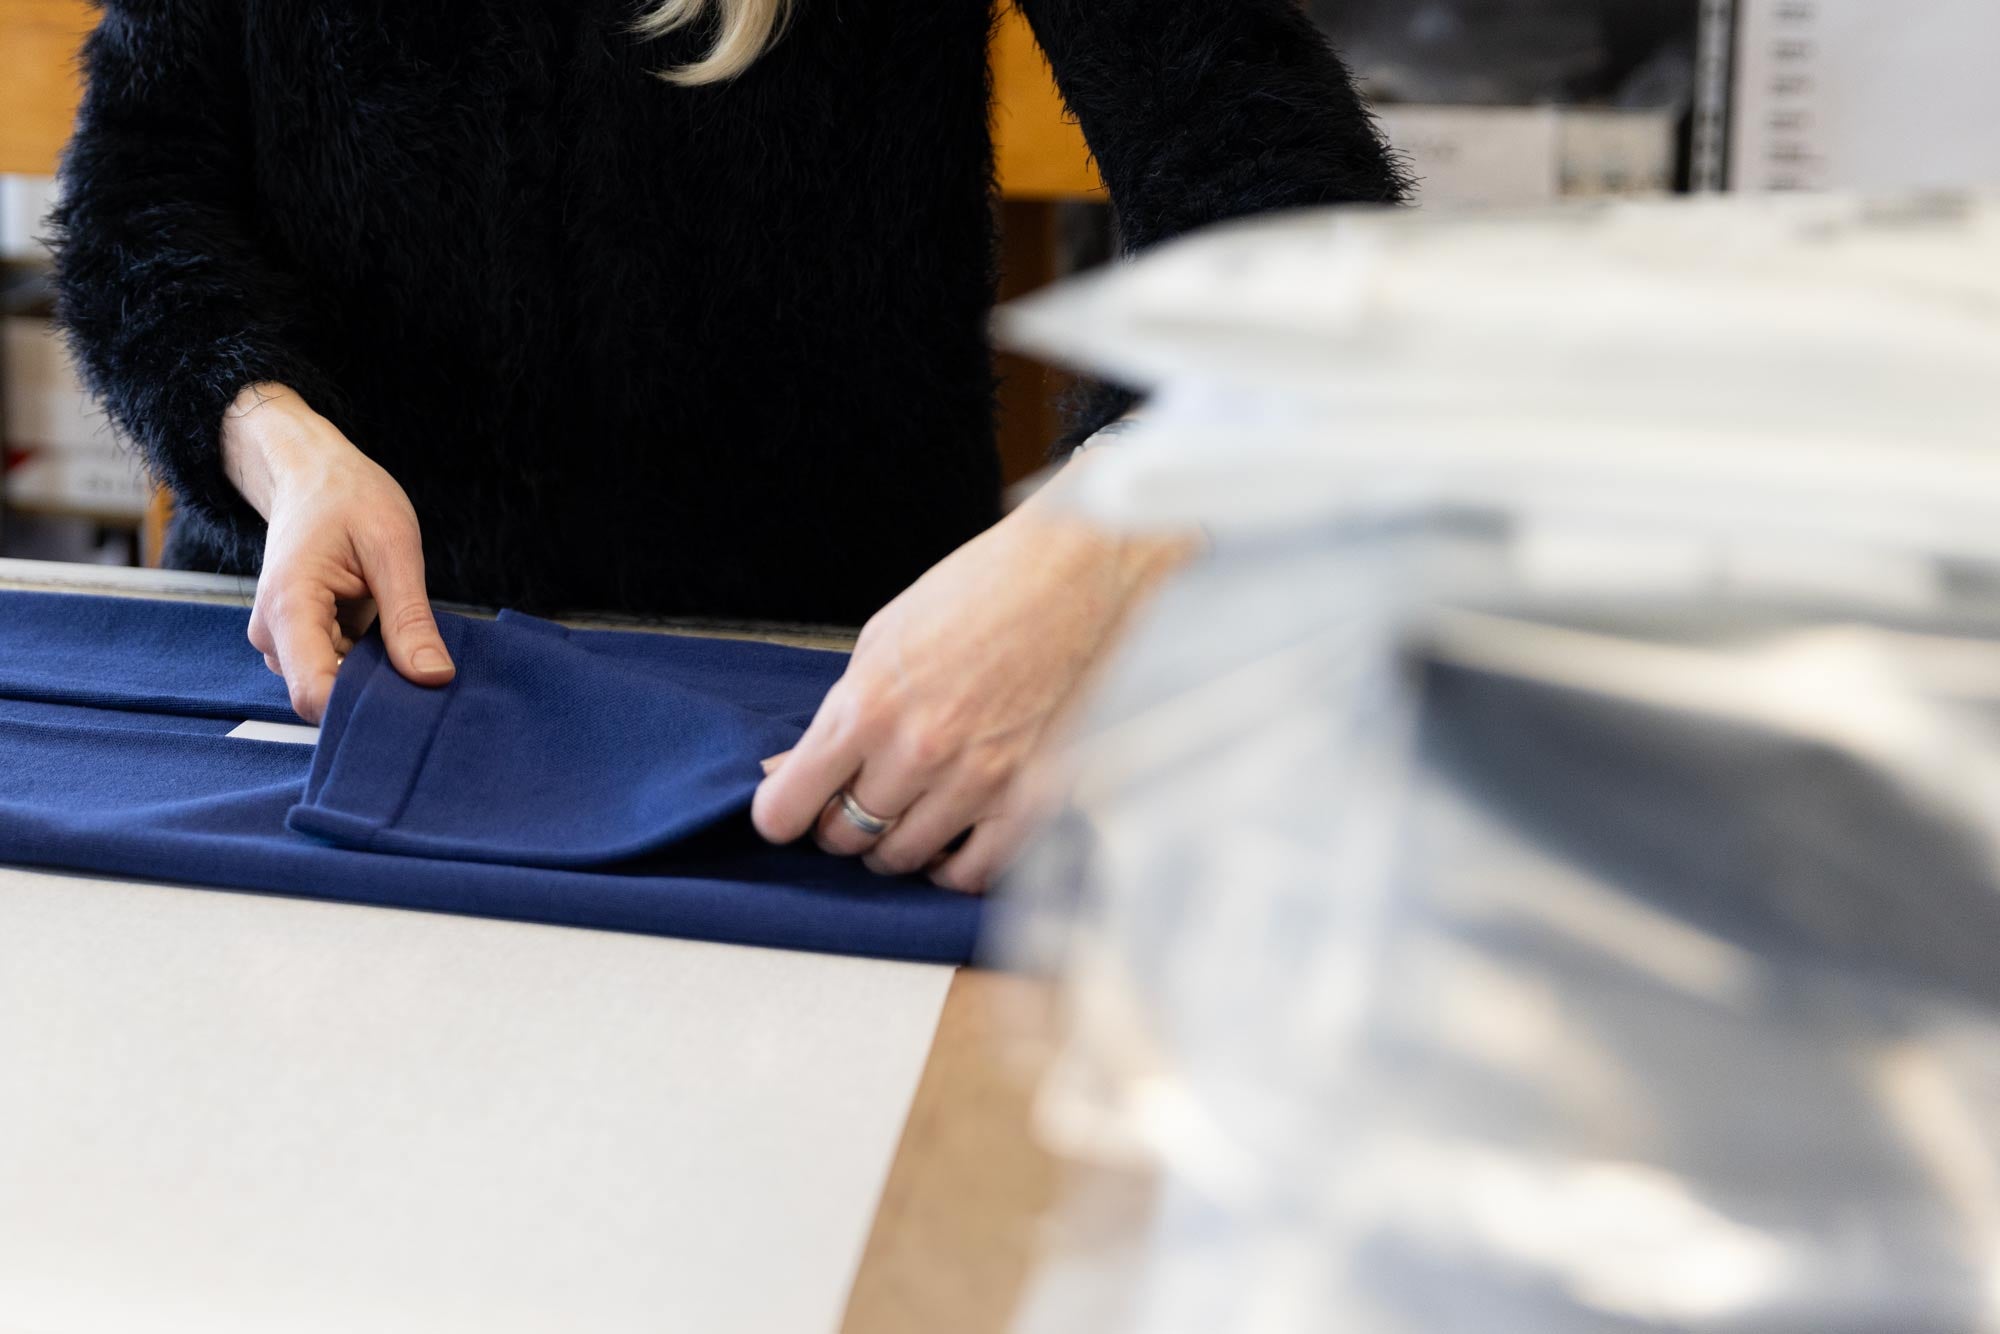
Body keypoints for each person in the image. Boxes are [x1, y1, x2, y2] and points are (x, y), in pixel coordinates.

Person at [52, 0, 1405, 891]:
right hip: (305, 693)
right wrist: (276, 442)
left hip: (824, 736)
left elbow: (1300, 222)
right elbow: (137, 193)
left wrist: (1096, 551)